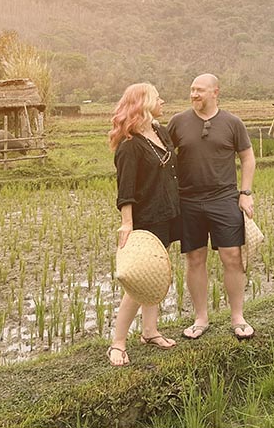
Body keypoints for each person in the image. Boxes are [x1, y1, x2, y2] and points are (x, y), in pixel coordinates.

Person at [168, 73, 256, 341]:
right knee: (195, 259)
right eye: (192, 90)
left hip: (224, 199)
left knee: (232, 257)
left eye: (200, 90)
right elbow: (164, 158)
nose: (194, 94)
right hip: (189, 200)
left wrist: (246, 193)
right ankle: (200, 318)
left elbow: (247, 157)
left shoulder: (232, 123)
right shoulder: (177, 122)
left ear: (215, 92)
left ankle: (237, 317)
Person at [106, 82, 181, 366]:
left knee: (156, 273)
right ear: (145, 104)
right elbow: (125, 190)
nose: (162, 101)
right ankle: (118, 342)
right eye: (157, 97)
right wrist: (127, 224)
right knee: (138, 284)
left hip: (168, 212)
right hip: (146, 218)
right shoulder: (130, 145)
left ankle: (150, 331)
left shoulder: (160, 132)